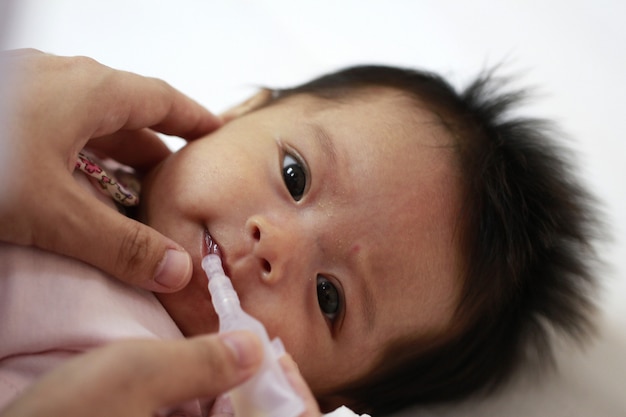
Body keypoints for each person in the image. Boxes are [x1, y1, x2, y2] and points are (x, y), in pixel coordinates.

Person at [0, 50, 600, 416]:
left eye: (328, 297)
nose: (275, 246)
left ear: (325, 394)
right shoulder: (58, 136)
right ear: (241, 112)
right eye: (294, 175)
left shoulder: (210, 397)